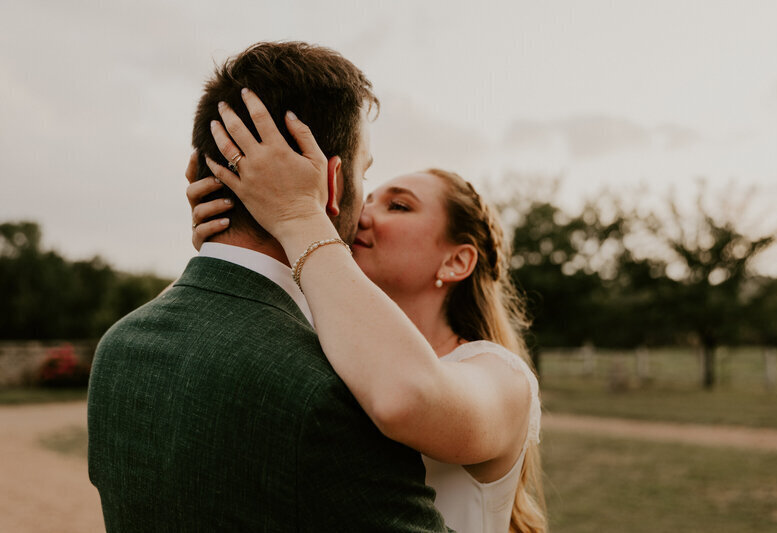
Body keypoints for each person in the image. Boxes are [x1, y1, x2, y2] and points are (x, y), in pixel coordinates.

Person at [87, 41, 450, 532]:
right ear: (334, 183)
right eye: (366, 174)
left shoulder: (119, 347)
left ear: (203, 172)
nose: (367, 212)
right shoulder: (332, 389)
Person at [187, 89, 548, 532]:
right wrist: (230, 247)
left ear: (457, 261)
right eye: (369, 197)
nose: (362, 214)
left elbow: (405, 398)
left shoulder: (502, 379)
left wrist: (299, 215)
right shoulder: (323, 348)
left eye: (398, 205)